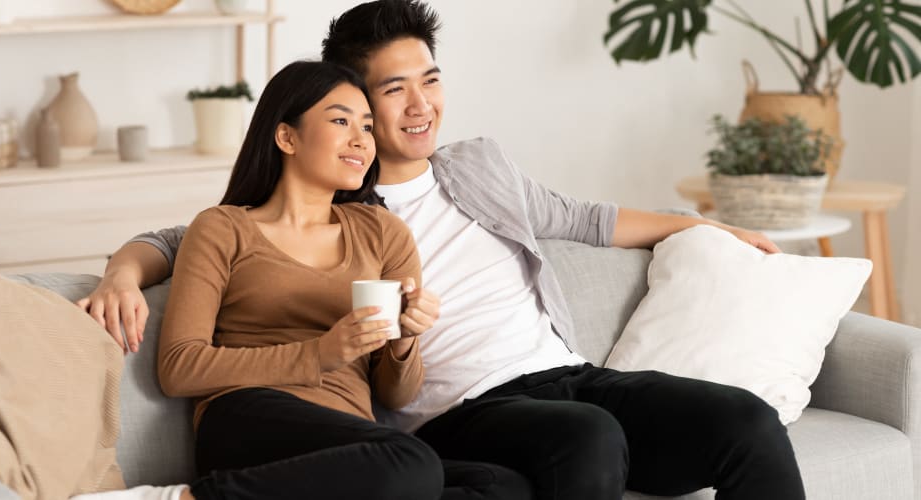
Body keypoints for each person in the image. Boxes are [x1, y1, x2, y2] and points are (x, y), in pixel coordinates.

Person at [79, 1, 804, 499]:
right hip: (464, 412)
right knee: (586, 439)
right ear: (348, 104)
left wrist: (706, 228)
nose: (418, 105)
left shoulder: (476, 168)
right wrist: (121, 269)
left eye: (429, 80)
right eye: (390, 92)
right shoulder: (339, 207)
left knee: (745, 423)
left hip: (568, 374)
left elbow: (585, 217)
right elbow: (195, 236)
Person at [74, 60, 533, 500]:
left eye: (368, 127)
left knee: (501, 485)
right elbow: (179, 367)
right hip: (247, 418)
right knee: (409, 463)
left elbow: (397, 392)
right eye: (341, 122)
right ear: (286, 136)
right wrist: (320, 353)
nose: (362, 140)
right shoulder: (223, 227)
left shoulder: (384, 232)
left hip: (352, 443)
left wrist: (405, 339)